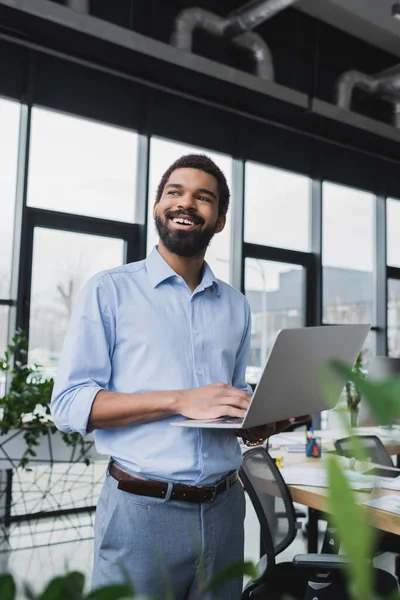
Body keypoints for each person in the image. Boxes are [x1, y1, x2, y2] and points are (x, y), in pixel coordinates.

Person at [50, 154, 307, 600]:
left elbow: (229, 394)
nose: (186, 203)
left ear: (220, 220)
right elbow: (69, 403)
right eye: (175, 192)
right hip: (142, 513)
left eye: (203, 197)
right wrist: (179, 400)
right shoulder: (109, 291)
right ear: (156, 207)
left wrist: (254, 420)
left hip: (227, 509)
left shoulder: (235, 305)